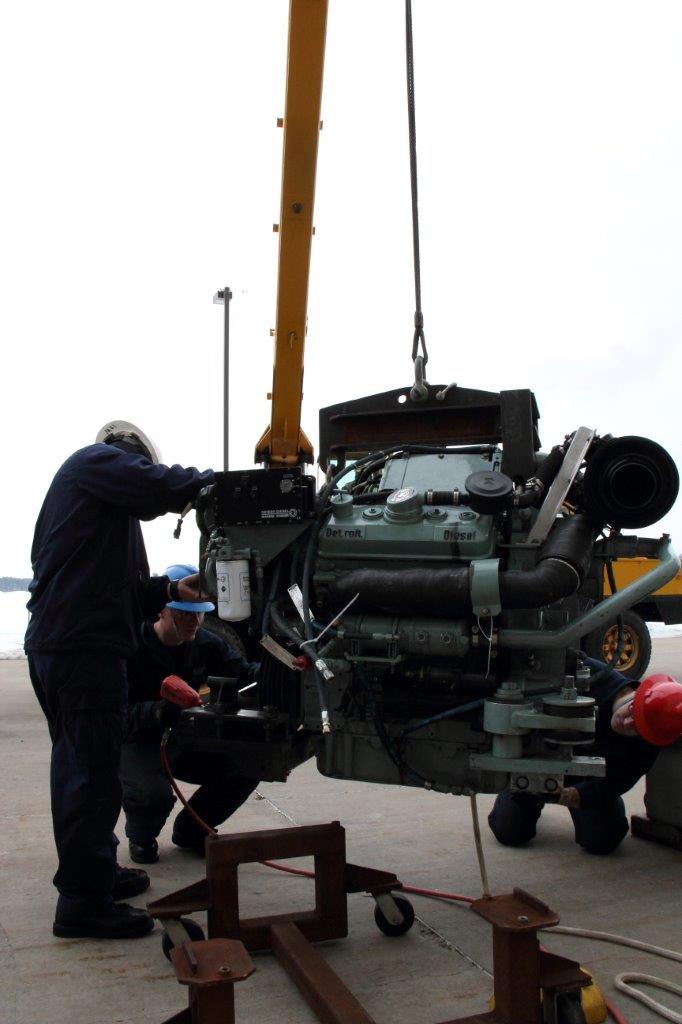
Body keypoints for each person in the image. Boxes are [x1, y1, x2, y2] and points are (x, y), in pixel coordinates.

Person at [25, 421, 214, 939]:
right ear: (127, 458)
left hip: (74, 645)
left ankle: (96, 875)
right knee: (87, 778)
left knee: (92, 772)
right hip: (81, 650)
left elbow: (125, 591)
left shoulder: (100, 517)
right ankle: (83, 904)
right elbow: (158, 488)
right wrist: (215, 484)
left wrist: (175, 588)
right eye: (139, 468)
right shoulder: (92, 462)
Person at [122, 564, 261, 863]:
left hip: (185, 737)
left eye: (199, 612)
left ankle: (192, 829)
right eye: (184, 613)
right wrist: (157, 712)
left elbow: (244, 672)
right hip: (139, 739)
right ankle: (142, 836)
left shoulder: (205, 643)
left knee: (247, 766)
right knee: (152, 794)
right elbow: (114, 715)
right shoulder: (131, 648)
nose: (194, 621)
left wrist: (282, 668)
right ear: (161, 611)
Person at [488, 658, 682, 855]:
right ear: (636, 693)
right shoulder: (590, 673)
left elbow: (617, 780)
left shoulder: (648, 743)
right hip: (535, 762)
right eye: (632, 711)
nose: (627, 722)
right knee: (509, 833)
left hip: (589, 782)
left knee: (603, 840)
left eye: (637, 728)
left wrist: (575, 796)